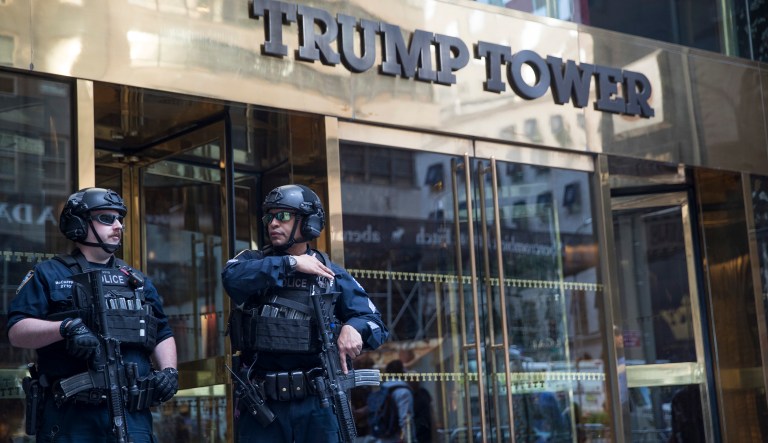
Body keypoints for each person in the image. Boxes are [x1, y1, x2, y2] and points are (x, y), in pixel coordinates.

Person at [6, 187, 178, 442]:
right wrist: (65, 328)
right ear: (78, 224)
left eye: (120, 218)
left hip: (133, 418)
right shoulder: (49, 274)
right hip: (72, 420)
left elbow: (162, 333)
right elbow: (17, 331)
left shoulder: (137, 280)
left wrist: (170, 372)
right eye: (107, 218)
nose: (118, 226)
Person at [222, 183, 388, 443]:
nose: (273, 223)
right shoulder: (254, 262)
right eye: (270, 216)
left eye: (283, 216)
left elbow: (375, 323)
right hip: (263, 405)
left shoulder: (331, 275)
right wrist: (291, 263)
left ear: (308, 223)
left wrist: (354, 327)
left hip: (316, 403)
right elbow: (231, 278)